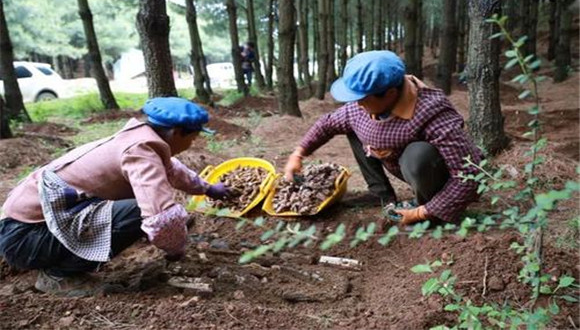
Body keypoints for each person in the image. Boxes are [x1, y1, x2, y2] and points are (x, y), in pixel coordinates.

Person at [0, 97, 231, 296]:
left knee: (152, 216)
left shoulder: (140, 139)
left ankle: (61, 262)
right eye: (194, 137)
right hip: (25, 238)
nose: (193, 143)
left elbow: (172, 168)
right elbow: (161, 218)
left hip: (26, 229)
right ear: (178, 132)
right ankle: (59, 275)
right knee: (141, 213)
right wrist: (175, 247)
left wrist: (208, 189)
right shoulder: (140, 151)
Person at [284, 50, 483, 226]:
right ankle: (380, 194)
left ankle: (431, 209)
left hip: (433, 175)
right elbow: (327, 124)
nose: (357, 104)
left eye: (362, 99)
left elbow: (468, 175)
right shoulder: (361, 106)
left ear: (390, 93)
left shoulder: (433, 112)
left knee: (418, 154)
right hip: (396, 162)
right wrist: (298, 153)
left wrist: (421, 213)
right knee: (354, 127)